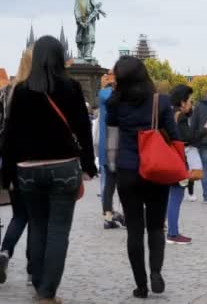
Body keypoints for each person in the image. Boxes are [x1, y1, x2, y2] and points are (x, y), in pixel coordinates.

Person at [2, 36, 97, 303]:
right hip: (63, 167)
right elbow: (83, 130)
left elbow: (10, 136)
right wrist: (89, 165)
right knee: (58, 231)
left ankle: (39, 281)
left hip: (28, 170)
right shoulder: (71, 88)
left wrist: (7, 174)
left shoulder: (20, 91)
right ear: (59, 57)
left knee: (39, 225)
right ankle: (47, 292)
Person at [106, 55, 178, 298]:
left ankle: (141, 285)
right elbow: (176, 136)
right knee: (156, 226)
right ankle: (156, 271)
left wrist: (113, 166)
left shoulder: (115, 104)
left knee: (134, 230)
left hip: (128, 171)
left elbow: (112, 138)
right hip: (156, 170)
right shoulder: (161, 101)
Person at [0, 47, 34, 285]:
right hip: (36, 162)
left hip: (11, 162)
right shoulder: (38, 92)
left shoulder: (7, 92)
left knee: (19, 215)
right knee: (37, 218)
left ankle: (4, 253)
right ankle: (34, 268)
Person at [167, 84, 207, 245]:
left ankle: (163, 227)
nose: (191, 104)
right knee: (176, 196)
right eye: (190, 101)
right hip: (178, 160)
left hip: (166, 159)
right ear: (182, 102)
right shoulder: (180, 117)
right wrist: (206, 130)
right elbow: (187, 138)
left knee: (167, 196)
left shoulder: (168, 113)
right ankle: (172, 233)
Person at [97, 71, 125, 229]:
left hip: (106, 143)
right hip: (118, 142)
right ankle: (124, 214)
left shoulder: (102, 93)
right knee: (122, 181)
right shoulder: (112, 95)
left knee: (109, 182)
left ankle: (108, 216)